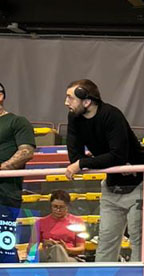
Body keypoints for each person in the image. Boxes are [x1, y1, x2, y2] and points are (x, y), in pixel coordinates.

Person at [64, 79, 144, 263]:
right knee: (106, 240)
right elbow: (75, 157)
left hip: (141, 181)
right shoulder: (74, 118)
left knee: (139, 239)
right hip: (112, 184)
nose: (66, 102)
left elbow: (117, 156)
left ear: (87, 101)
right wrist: (86, 162)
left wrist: (84, 163)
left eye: (70, 98)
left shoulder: (112, 115)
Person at [0, 81, 36, 263]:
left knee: (4, 245)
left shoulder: (16, 121)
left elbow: (26, 151)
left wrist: (2, 168)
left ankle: (10, 275)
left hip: (5, 194)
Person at [34, 189, 84, 262]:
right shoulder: (40, 222)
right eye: (55, 206)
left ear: (67, 206)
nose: (58, 210)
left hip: (69, 257)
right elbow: (31, 250)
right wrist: (45, 246)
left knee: (58, 249)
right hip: (47, 256)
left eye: (61, 207)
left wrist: (66, 249)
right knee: (56, 249)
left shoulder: (77, 222)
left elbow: (81, 248)